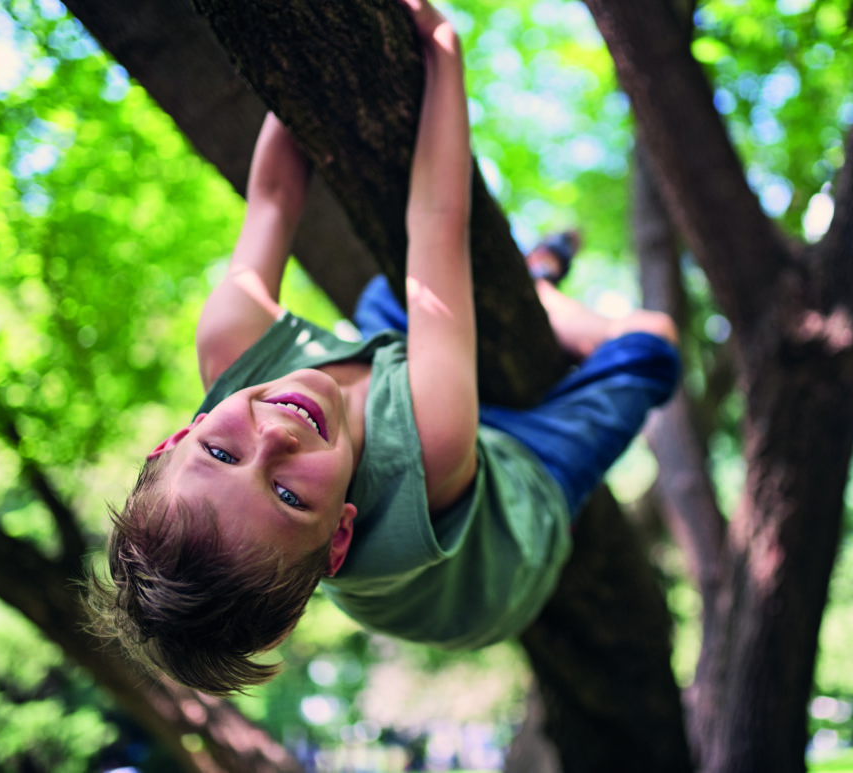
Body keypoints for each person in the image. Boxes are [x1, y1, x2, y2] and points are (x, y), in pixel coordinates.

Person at [88, 0, 679, 696]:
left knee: (398, 289)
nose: (276, 434)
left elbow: (274, 194)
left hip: (417, 399)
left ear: (176, 438)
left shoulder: (231, 346)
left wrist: (300, 71)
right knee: (654, 345)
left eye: (221, 453)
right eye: (286, 494)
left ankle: (535, 277)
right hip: (506, 534)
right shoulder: (433, 442)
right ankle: (543, 289)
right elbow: (438, 216)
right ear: (340, 536)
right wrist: (443, 49)